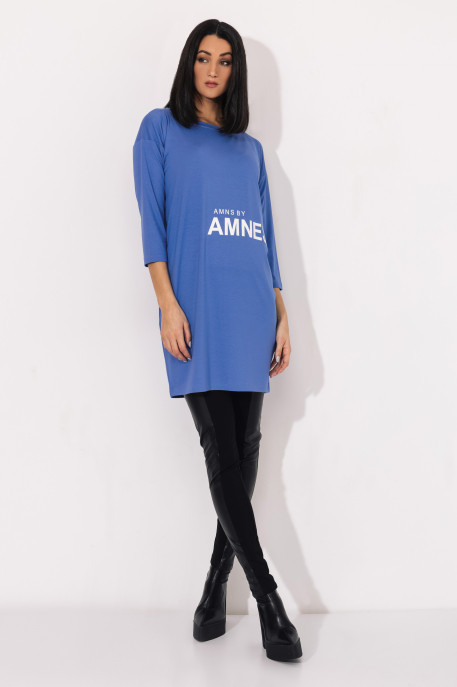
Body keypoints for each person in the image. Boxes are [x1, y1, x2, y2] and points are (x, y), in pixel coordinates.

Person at [132, 19, 301, 662]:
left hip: (251, 309)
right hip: (196, 313)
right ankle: (268, 601)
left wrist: (281, 314)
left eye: (225, 61)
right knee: (221, 452)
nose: (212, 70)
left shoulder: (250, 150)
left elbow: (266, 238)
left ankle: (212, 589)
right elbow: (153, 224)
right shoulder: (159, 130)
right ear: (189, 64)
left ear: (235, 72)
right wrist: (167, 305)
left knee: (245, 452)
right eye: (203, 58)